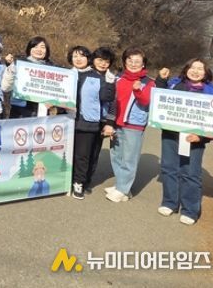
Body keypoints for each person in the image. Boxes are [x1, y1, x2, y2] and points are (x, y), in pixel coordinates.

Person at [156, 59, 213, 225]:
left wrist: (201, 137)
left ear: (206, 73)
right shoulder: (174, 84)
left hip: (195, 139)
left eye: (200, 68)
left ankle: (190, 210)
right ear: (186, 69)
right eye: (193, 67)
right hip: (171, 135)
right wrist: (161, 80)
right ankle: (169, 203)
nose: (196, 71)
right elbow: (158, 99)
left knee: (191, 173)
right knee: (169, 168)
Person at [103, 47, 155, 203]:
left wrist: (138, 90)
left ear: (143, 64)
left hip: (134, 124)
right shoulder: (118, 78)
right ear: (125, 62)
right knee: (116, 155)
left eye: (137, 61)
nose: (133, 64)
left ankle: (122, 189)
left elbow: (146, 102)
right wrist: (109, 122)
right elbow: (112, 100)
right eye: (130, 60)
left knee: (129, 158)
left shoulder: (148, 82)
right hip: (116, 123)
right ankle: (122, 186)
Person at [66, 46, 114, 200]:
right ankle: (66, 180)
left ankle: (79, 182)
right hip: (66, 120)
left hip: (87, 121)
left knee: (83, 155)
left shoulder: (97, 76)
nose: (78, 59)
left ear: (88, 58)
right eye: (75, 56)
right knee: (66, 153)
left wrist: (109, 83)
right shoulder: (65, 75)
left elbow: (107, 98)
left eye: (82, 56)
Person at [86, 46, 117, 190]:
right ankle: (76, 179)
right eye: (100, 60)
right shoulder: (85, 74)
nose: (103, 64)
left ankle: (87, 180)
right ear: (93, 59)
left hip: (101, 120)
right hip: (84, 118)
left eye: (106, 61)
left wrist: (110, 122)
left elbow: (114, 103)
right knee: (80, 152)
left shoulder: (111, 79)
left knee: (94, 151)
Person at [3, 36, 54, 118]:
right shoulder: (19, 64)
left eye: (42, 47)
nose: (39, 50)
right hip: (20, 111)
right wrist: (10, 65)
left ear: (47, 50)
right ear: (29, 49)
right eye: (35, 46)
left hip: (42, 111)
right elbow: (6, 86)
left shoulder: (53, 68)